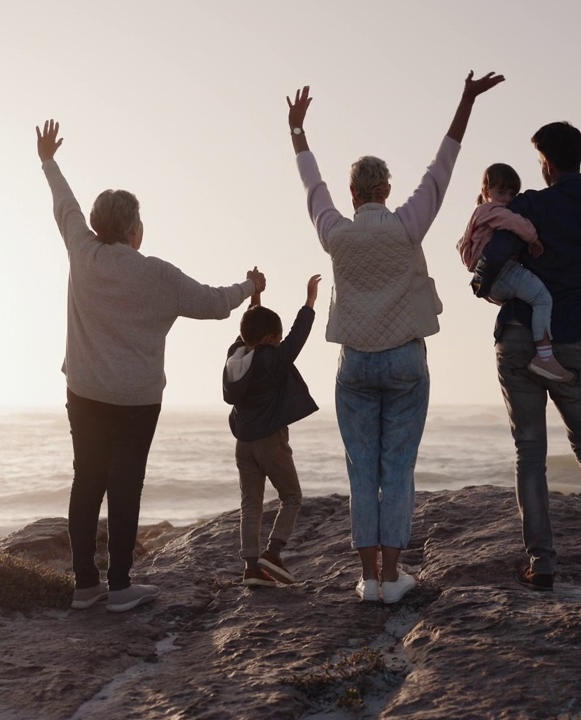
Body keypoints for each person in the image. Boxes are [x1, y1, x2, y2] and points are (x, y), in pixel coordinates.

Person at [287, 69, 504, 604]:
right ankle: (393, 575)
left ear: (353, 193)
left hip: (355, 364)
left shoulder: (335, 233)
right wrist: (465, 101)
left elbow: (311, 188)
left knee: (362, 469)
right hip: (406, 360)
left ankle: (368, 582)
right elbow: (442, 168)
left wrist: (298, 135)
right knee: (397, 468)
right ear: (385, 189)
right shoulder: (409, 223)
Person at [36, 119, 265, 612]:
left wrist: (48, 159)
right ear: (135, 228)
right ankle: (119, 586)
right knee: (124, 485)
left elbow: (64, 206)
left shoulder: (83, 251)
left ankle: (84, 586)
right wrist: (251, 287)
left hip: (85, 391)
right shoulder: (157, 274)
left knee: (87, 480)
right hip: (137, 399)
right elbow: (214, 303)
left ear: (100, 224)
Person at [471, 39, 581, 592]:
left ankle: (542, 563)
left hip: (519, 339)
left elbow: (491, 256)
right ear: (576, 158)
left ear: (545, 164)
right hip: (569, 344)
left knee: (531, 453)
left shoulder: (530, 205)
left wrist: (484, 285)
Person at [223, 274, 322, 587]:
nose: (281, 341)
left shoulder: (235, 357)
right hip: (270, 441)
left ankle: (251, 568)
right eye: (276, 338)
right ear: (270, 339)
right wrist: (309, 301)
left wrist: (255, 299)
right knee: (291, 497)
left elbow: (248, 332)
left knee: (250, 505)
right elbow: (298, 336)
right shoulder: (274, 358)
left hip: (244, 443)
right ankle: (274, 552)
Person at [456, 164, 571, 382]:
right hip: (503, 272)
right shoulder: (491, 210)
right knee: (542, 298)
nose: (508, 198)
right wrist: (533, 237)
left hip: (493, 281)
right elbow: (513, 222)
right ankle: (544, 357)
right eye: (501, 192)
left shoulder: (478, 216)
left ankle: (536, 340)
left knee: (530, 299)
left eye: (512, 193)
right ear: (486, 192)